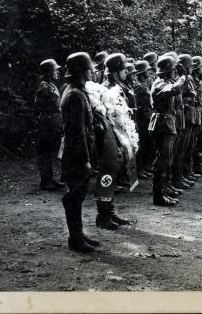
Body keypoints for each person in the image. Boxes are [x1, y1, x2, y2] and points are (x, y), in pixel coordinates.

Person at [93, 53, 138, 229]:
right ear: (116, 70)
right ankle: (102, 216)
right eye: (123, 69)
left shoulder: (120, 86)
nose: (126, 72)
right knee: (107, 174)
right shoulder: (106, 88)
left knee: (113, 174)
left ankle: (109, 212)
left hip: (119, 137)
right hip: (109, 138)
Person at [59, 52, 98, 253]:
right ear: (82, 71)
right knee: (74, 196)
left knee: (78, 194)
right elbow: (77, 132)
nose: (93, 71)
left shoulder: (76, 91)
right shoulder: (74, 94)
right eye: (90, 68)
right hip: (76, 153)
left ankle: (78, 234)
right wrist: (85, 159)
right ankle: (75, 238)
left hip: (77, 151)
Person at [148, 56, 186, 206]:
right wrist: (183, 77)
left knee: (167, 159)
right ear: (168, 71)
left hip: (166, 122)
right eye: (173, 70)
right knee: (162, 160)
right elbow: (175, 89)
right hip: (162, 123)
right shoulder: (159, 84)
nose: (175, 73)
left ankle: (164, 190)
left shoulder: (164, 82)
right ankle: (158, 196)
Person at [35, 59, 65, 191]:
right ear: (49, 72)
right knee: (45, 152)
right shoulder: (43, 87)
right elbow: (40, 105)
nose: (57, 72)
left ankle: (50, 179)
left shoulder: (51, 85)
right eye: (55, 70)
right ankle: (46, 181)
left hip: (54, 122)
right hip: (47, 123)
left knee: (51, 152)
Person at [178, 54, 199, 184]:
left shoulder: (188, 79)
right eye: (189, 65)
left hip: (189, 115)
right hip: (183, 116)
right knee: (181, 149)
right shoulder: (181, 80)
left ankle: (185, 172)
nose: (192, 67)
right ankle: (178, 178)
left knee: (188, 146)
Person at [133, 60, 154, 180]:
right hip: (141, 118)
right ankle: (139, 168)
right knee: (141, 143)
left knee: (147, 143)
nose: (149, 71)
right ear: (142, 72)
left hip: (147, 116)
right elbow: (135, 102)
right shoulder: (137, 85)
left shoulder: (144, 84)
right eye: (147, 70)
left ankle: (144, 167)